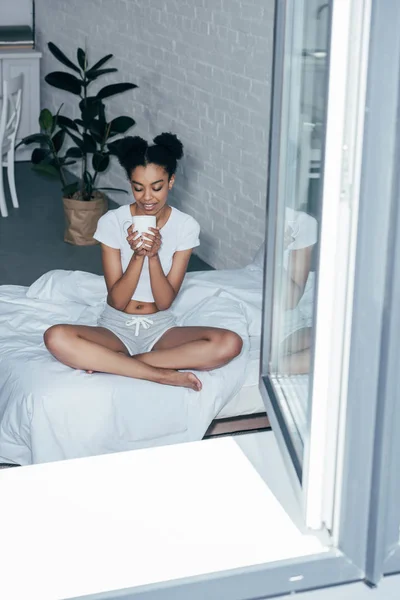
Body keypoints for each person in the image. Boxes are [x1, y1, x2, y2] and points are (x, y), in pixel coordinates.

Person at [44, 133, 243, 391]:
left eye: (156, 187)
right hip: (114, 327)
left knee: (230, 343)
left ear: (171, 181)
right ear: (130, 183)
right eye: (138, 188)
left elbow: (164, 302)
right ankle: (159, 374)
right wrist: (138, 255)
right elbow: (116, 300)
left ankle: (120, 364)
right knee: (56, 336)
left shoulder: (185, 226)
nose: (147, 198)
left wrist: (153, 256)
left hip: (160, 328)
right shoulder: (112, 222)